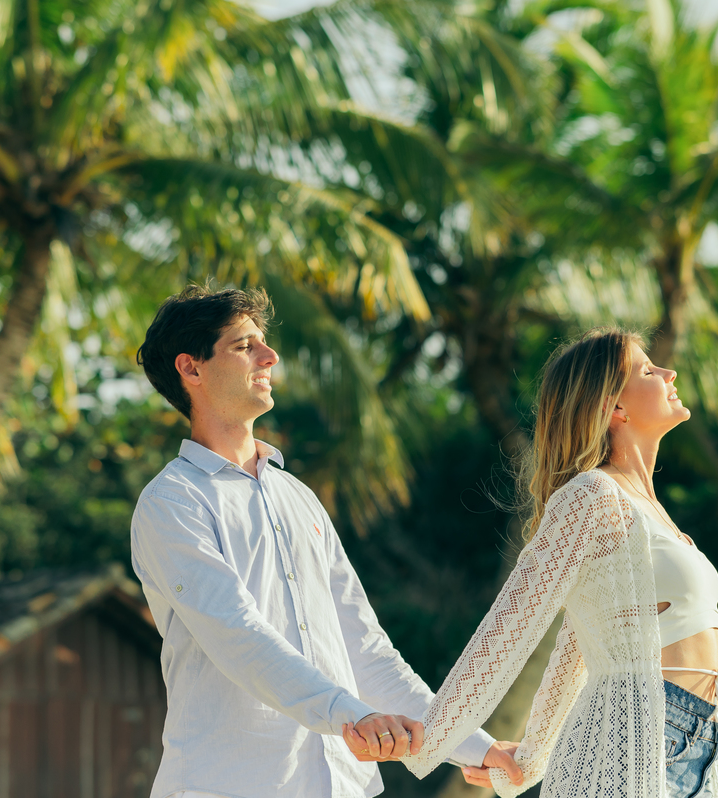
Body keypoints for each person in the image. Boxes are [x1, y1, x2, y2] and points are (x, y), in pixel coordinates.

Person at [130, 285, 522, 798]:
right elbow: (238, 636)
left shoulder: (299, 497)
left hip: (343, 785)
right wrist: (353, 717)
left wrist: (476, 747)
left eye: (263, 343)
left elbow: (366, 650)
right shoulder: (171, 503)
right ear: (191, 368)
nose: (270, 356)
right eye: (244, 345)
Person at [350, 328, 718, 798]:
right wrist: (427, 738)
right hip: (639, 736)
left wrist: (533, 755)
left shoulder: (646, 508)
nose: (668, 372)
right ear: (613, 407)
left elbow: (578, 645)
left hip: (701, 746)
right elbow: (509, 627)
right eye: (647, 369)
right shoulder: (590, 495)